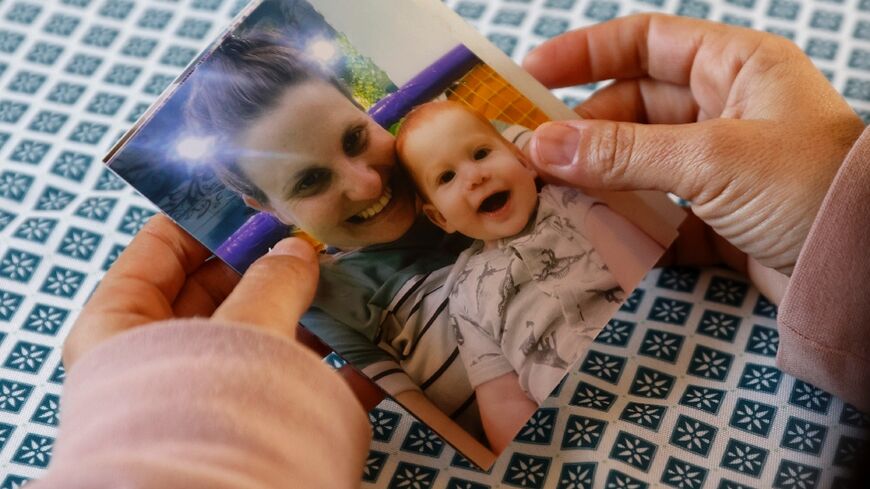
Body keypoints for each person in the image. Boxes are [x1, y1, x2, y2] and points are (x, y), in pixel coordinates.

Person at [31, 13, 868, 487]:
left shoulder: (471, 155)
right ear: (265, 209)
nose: (366, 185)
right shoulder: (329, 299)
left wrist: (833, 228)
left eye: (360, 137)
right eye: (315, 181)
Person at [396, 100, 663, 452]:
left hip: (651, 360)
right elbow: (501, 397)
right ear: (440, 218)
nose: (475, 177)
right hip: (582, 428)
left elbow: (641, 267)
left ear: (523, 162)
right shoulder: (464, 293)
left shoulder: (569, 204)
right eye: (447, 177)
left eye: (480, 153)